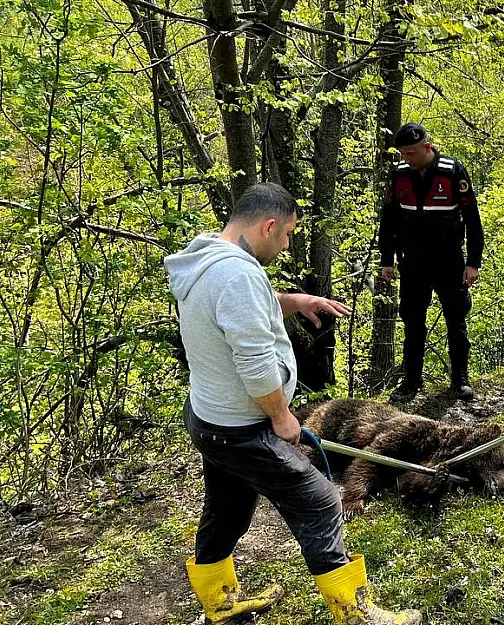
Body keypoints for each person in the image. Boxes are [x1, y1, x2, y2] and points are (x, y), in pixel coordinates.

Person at [165, 182, 421, 625]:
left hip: (209, 416)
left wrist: (295, 301)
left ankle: (220, 605)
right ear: (267, 225)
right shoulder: (239, 275)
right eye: (285, 235)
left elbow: (234, 312)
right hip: (241, 427)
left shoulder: (205, 257)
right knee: (320, 501)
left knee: (226, 507)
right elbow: (255, 362)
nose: (285, 245)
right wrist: (282, 417)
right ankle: (355, 614)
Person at [379, 123, 484, 404]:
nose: (408, 159)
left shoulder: (452, 172)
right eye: (403, 154)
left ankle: (460, 379)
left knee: (456, 321)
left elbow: (473, 221)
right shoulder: (399, 175)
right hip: (412, 263)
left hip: (449, 262)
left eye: (412, 153)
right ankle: (411, 380)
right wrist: (386, 259)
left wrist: (473, 262)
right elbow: (387, 220)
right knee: (413, 323)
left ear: (427, 147)